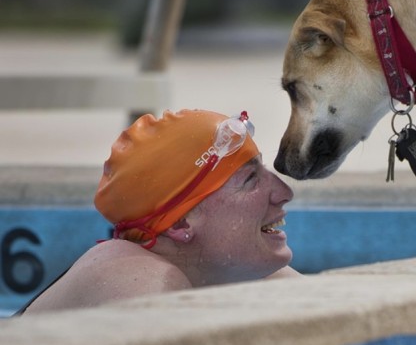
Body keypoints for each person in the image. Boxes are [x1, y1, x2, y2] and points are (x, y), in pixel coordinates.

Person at [19, 109, 299, 314]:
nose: (284, 193)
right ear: (180, 223)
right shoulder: (141, 283)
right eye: (251, 180)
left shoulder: (252, 274)